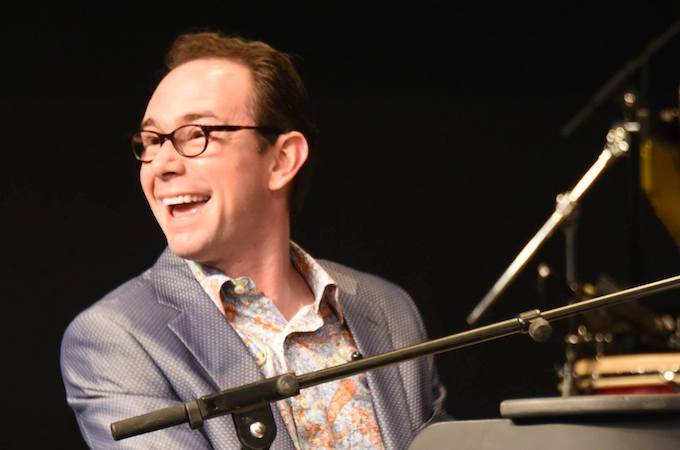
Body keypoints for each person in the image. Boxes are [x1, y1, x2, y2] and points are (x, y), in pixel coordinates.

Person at [60, 31, 446, 449]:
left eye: (196, 134)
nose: (162, 165)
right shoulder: (118, 339)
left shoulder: (387, 308)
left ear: (281, 160)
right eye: (152, 141)